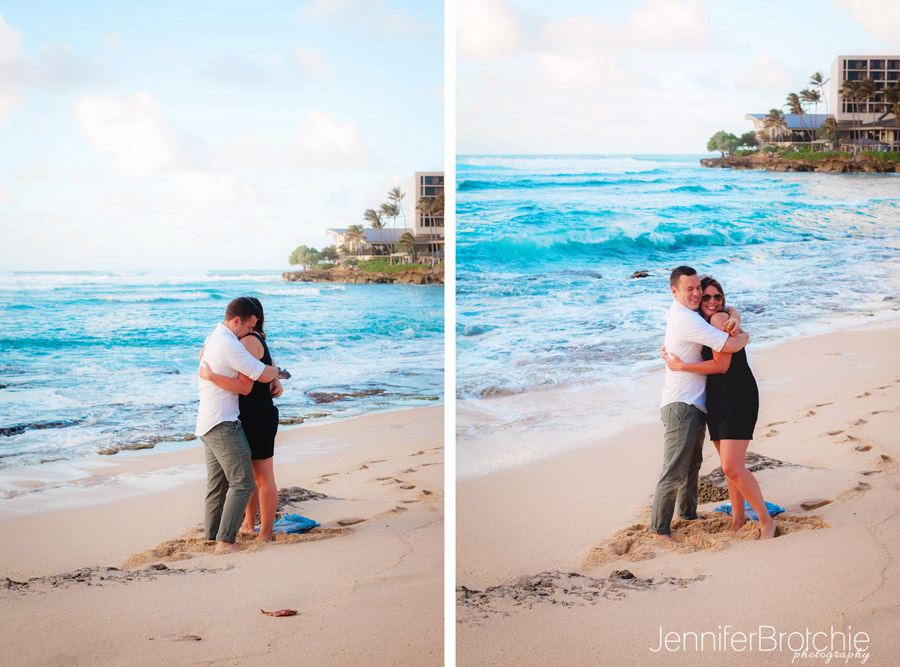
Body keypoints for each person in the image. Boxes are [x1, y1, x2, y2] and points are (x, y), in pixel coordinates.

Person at [663, 276, 776, 540]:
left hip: (736, 396)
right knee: (730, 467)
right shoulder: (704, 323)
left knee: (731, 467)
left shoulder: (717, 320)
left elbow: (722, 366)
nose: (713, 301)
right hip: (717, 398)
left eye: (718, 296)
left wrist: (682, 367)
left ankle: (765, 521)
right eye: (707, 297)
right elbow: (729, 318)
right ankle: (737, 520)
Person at [649, 266, 749, 542]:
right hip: (680, 403)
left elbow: (728, 309)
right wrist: (745, 335)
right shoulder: (687, 320)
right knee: (674, 469)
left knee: (692, 465)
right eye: (689, 289)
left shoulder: (683, 312)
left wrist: (736, 316)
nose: (695, 294)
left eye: (697, 288)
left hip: (693, 403)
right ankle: (659, 530)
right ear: (674, 291)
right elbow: (728, 346)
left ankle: (688, 515)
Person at [196, 296, 280, 553]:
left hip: (218, 420)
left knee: (221, 484)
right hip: (226, 421)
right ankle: (224, 541)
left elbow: (262, 373)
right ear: (236, 321)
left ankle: (216, 536)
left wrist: (275, 374)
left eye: (255, 326)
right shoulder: (230, 343)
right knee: (244, 482)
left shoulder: (216, 338)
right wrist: (277, 374)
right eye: (249, 326)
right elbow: (253, 381)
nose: (251, 331)